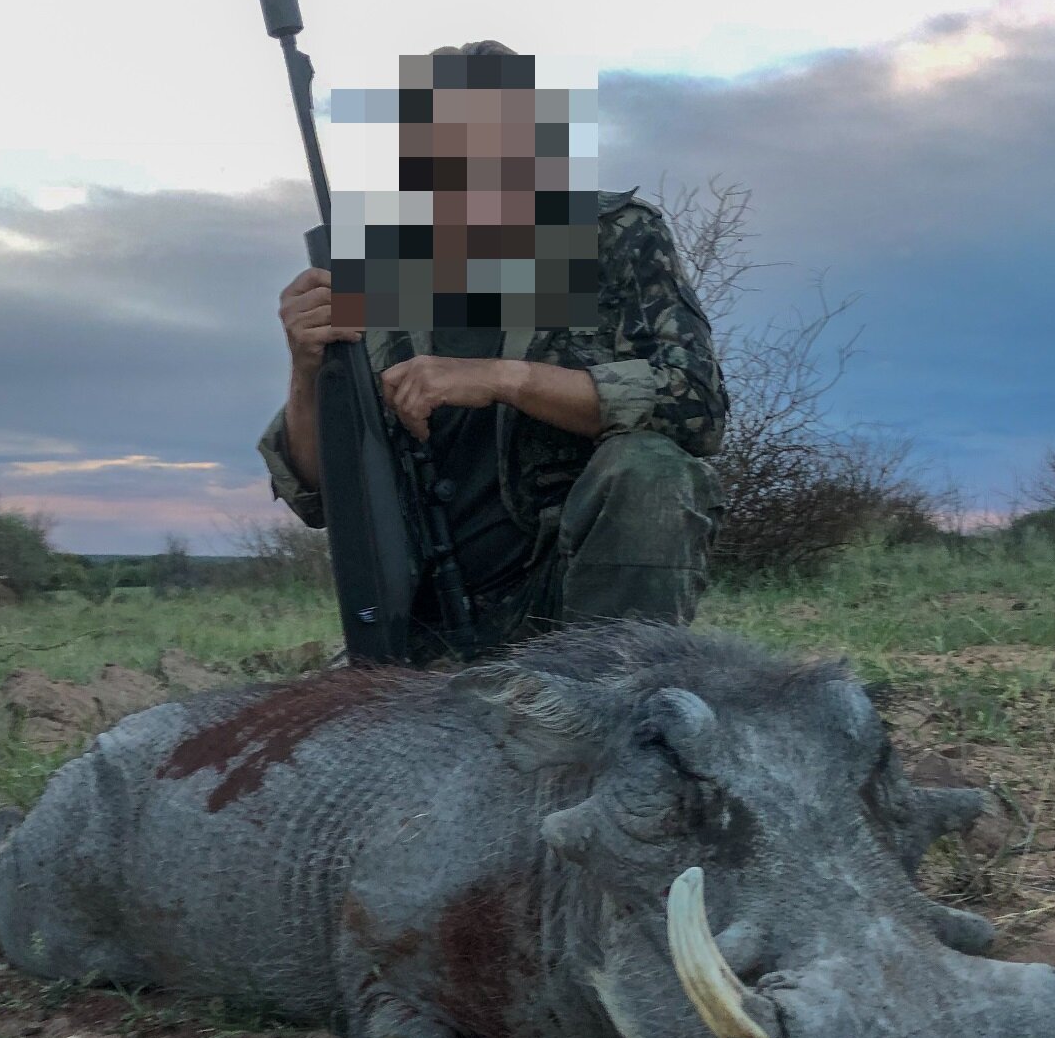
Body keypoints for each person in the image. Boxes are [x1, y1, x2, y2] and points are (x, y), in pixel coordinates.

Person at [256, 42, 727, 662]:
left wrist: (504, 378)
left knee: (650, 468)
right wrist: (306, 366)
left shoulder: (610, 236)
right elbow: (317, 493)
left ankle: (614, 707)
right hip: (423, 617)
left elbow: (696, 405)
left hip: (575, 610)